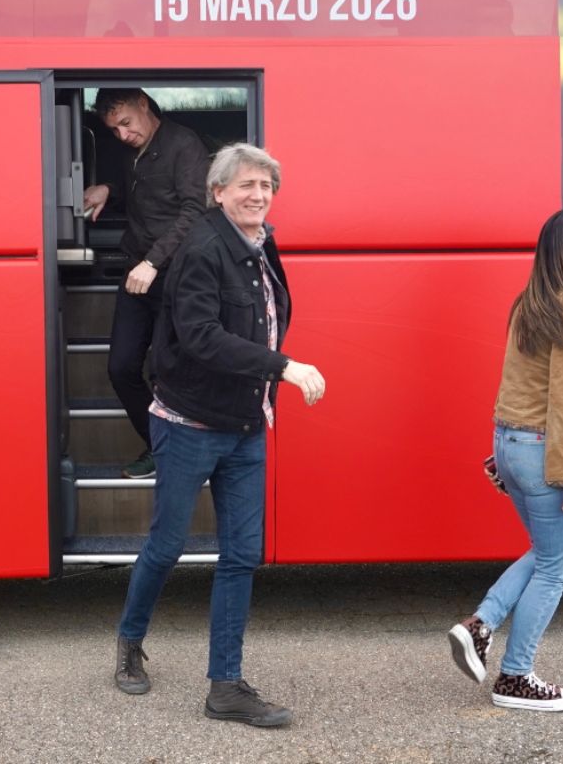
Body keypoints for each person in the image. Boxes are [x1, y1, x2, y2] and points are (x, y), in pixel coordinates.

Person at [112, 143, 326, 727]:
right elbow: (202, 336)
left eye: (266, 187)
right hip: (188, 424)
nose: (258, 196)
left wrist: (264, 381)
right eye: (247, 186)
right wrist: (281, 366)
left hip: (245, 424)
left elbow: (269, 314)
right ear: (219, 193)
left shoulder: (260, 243)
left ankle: (225, 687)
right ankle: (130, 641)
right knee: (168, 543)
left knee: (241, 555)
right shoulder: (201, 249)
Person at [449, 208, 563, 712]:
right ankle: (515, 676)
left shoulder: (531, 303)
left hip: (511, 443)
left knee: (545, 553)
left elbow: (516, 384)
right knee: (557, 567)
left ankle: (479, 627)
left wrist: (504, 453)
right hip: (545, 452)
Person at [82, 88, 211, 479]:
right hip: (137, 272)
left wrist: (154, 262)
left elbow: (195, 210)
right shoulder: (131, 150)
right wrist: (110, 188)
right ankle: (161, 447)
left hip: (175, 275)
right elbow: (143, 193)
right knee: (121, 368)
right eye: (113, 129)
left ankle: (184, 453)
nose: (121, 135)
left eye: (125, 123)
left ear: (143, 103)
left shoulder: (184, 144)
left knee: (166, 371)